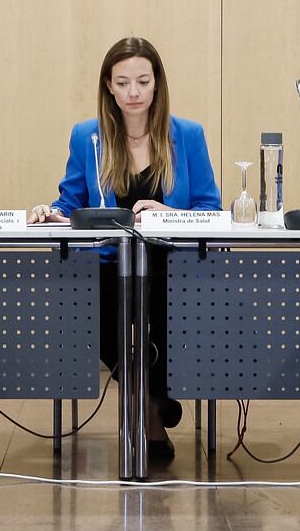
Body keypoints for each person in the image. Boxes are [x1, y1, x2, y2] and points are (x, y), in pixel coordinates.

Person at [27, 37, 218, 464]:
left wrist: (168, 214)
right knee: (92, 311)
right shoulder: (88, 136)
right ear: (109, 87)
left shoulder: (187, 135)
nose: (133, 92)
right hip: (108, 262)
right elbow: (70, 202)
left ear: (157, 84)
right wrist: (51, 212)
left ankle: (155, 398)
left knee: (170, 309)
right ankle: (151, 402)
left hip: (171, 262)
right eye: (123, 82)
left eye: (143, 82)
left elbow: (210, 208)